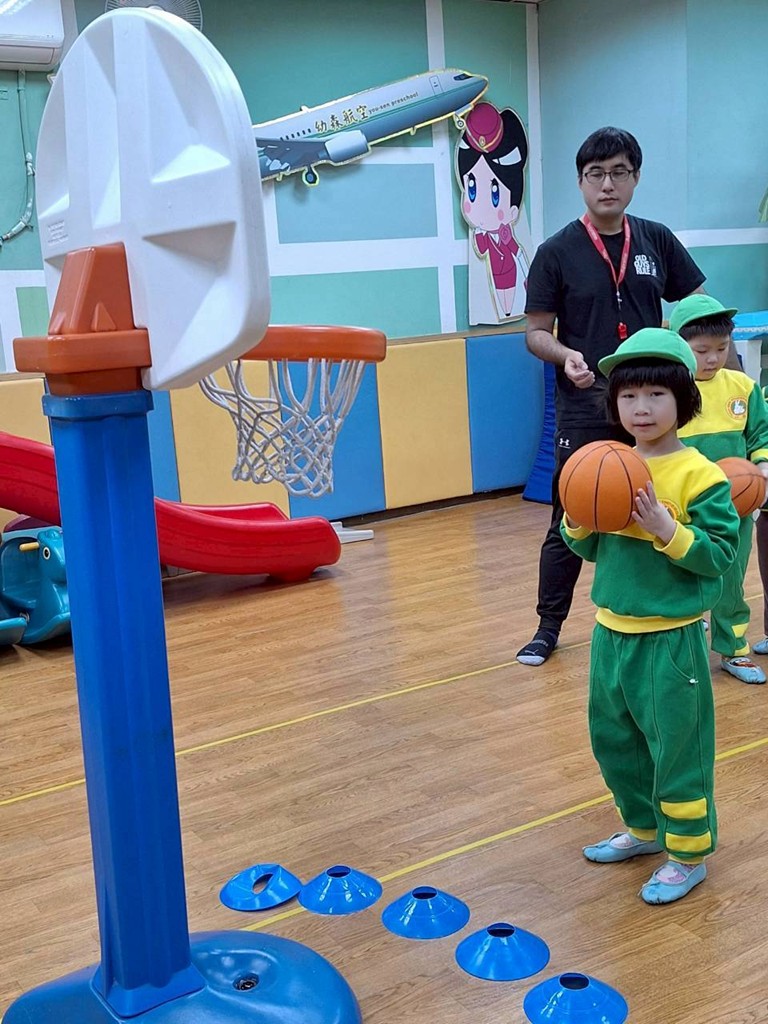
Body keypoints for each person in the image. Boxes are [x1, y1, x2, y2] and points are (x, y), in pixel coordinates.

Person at [516, 126, 707, 666]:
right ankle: (547, 627)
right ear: (580, 181)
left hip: (654, 403)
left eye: (619, 172)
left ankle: (676, 609)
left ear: (635, 178)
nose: (607, 184)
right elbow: (535, 332)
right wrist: (565, 356)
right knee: (572, 514)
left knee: (668, 506)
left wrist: (698, 359)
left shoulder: (657, 239)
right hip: (587, 403)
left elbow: (695, 306)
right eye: (596, 173)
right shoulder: (556, 251)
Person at [562, 327, 739, 904]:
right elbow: (590, 548)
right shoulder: (605, 464)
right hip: (610, 633)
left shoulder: (700, 475)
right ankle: (642, 829)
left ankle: (687, 853)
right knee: (615, 741)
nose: (641, 407)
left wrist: (668, 530)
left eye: (656, 395)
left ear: (683, 400)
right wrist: (578, 518)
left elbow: (720, 556)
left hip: (671, 640)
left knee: (677, 748)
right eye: (629, 395)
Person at [671, 294, 768, 684]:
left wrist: (761, 468)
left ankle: (733, 649)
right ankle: (683, 648)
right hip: (683, 509)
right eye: (701, 351)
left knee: (731, 581)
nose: (713, 358)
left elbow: (760, 434)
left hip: (734, 508)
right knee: (681, 578)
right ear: (679, 345)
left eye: (721, 348)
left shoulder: (743, 387)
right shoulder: (669, 391)